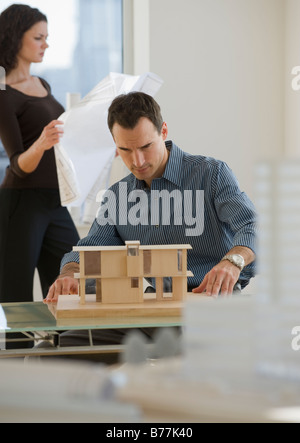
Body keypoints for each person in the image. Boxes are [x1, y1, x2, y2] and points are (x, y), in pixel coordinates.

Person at [42, 91, 256, 363]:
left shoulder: (211, 175)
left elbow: (251, 225)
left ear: (163, 131)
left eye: (145, 147)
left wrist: (233, 261)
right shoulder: (117, 196)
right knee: (57, 353)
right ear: (114, 144)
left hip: (203, 312)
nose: (137, 162)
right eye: (125, 150)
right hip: (140, 315)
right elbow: (91, 248)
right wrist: (70, 273)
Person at [0, 4, 79, 311]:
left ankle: (64, 351)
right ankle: (12, 357)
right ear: (15, 38)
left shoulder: (43, 85)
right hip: (21, 203)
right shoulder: (4, 92)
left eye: (46, 37)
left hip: (55, 201)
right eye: (38, 37)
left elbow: (62, 141)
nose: (46, 44)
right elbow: (18, 164)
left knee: (72, 280)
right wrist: (43, 142)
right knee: (14, 294)